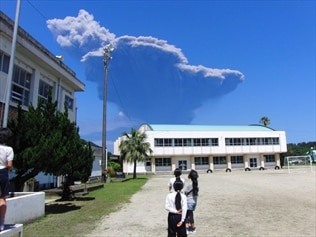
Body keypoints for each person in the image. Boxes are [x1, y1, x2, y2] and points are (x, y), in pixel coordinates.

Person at [0, 128, 14, 232]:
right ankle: (1, 224)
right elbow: (9, 165)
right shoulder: (8, 149)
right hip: (3, 173)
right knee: (2, 199)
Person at [185, 169, 199, 234]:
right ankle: (192, 228)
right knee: (191, 215)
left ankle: (189, 229)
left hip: (189, 202)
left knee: (187, 216)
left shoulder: (190, 185)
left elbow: (186, 193)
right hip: (194, 202)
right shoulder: (196, 184)